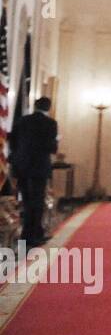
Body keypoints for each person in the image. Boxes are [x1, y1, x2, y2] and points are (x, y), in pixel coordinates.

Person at [10, 96, 58, 246]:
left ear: (35, 106)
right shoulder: (50, 123)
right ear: (48, 107)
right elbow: (51, 147)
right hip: (39, 167)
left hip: (22, 166)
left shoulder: (22, 121)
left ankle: (28, 234)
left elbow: (12, 142)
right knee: (37, 202)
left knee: (26, 201)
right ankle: (33, 235)